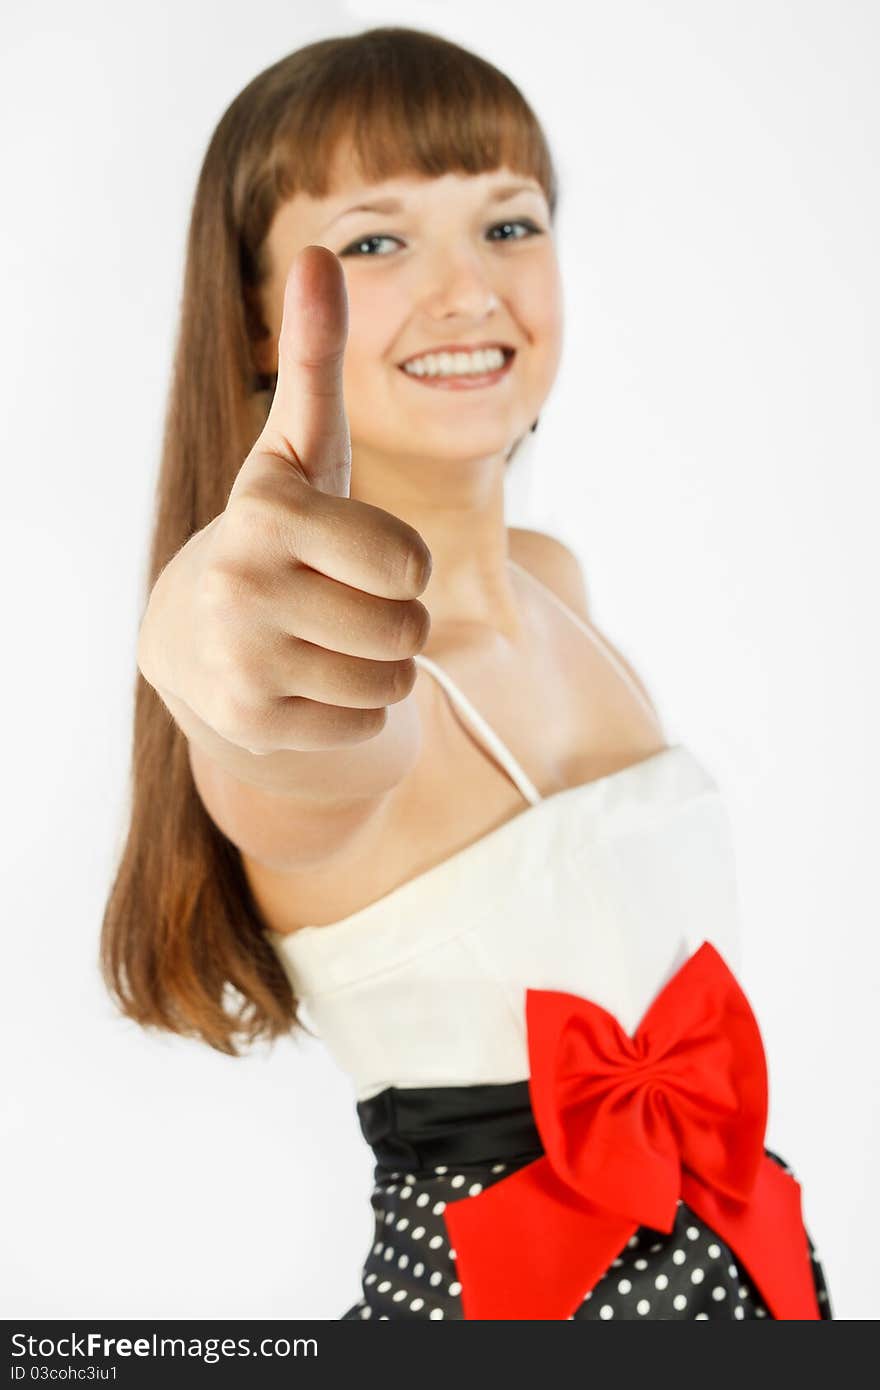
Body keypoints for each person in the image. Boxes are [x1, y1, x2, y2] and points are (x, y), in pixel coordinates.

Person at [101, 26, 832, 1320]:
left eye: (508, 223)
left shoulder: (557, 578)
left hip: (751, 1277)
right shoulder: (338, 679)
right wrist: (213, 643)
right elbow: (294, 749)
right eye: (376, 241)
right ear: (264, 321)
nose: (466, 289)